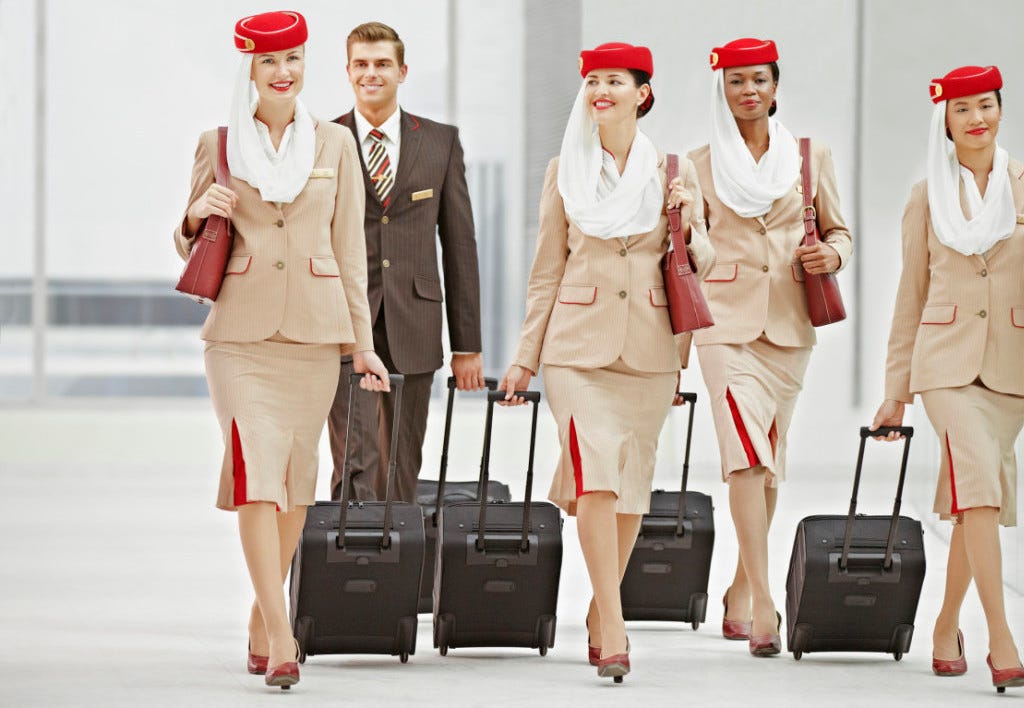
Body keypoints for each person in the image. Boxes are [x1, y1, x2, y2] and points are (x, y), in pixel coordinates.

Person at [173, 10, 389, 690]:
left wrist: (363, 345)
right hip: (240, 336)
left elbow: (350, 252)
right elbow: (187, 238)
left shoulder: (335, 144)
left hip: (314, 336)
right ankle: (282, 631)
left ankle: (259, 618)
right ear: (249, 69)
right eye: (269, 61)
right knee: (256, 477)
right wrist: (194, 215)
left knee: (295, 482)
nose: (283, 71)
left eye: (293, 58)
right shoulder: (218, 143)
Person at [499, 42, 715, 683]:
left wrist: (687, 220)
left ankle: (602, 608)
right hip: (576, 350)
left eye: (615, 81)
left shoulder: (674, 170)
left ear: (641, 93)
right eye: (592, 80)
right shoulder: (563, 170)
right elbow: (547, 271)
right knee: (595, 478)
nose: (601, 91)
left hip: (649, 350)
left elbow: (701, 260)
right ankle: (615, 626)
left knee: (629, 489)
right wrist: (525, 359)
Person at [870, 65, 1024, 693]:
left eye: (985, 105)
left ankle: (945, 625)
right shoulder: (925, 196)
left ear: (1000, 110)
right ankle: (1001, 638)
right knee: (981, 490)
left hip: (1012, 365)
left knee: (973, 500)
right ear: (944, 120)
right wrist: (896, 392)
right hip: (944, 364)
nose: (975, 118)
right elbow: (910, 296)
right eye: (961, 109)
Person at [687, 38, 852, 657]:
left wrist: (833, 254)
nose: (748, 90)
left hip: (788, 326)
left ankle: (737, 587)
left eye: (758, 79)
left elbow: (839, 230)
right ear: (722, 90)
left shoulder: (810, 157)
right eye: (736, 81)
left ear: (775, 86)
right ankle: (763, 603)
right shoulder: (696, 165)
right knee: (745, 459)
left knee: (770, 463)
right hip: (724, 325)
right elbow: (688, 251)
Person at [326, 21, 485, 503]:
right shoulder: (322, 140)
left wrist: (467, 345)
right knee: (354, 458)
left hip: (414, 319)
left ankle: (397, 547)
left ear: (402, 71)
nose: (370, 73)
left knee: (401, 462)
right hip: (343, 319)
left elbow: (459, 245)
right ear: (347, 71)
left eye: (381, 64)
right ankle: (351, 544)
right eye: (361, 64)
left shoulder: (440, 142)